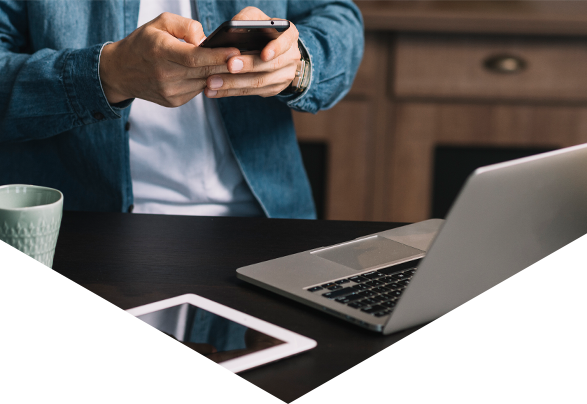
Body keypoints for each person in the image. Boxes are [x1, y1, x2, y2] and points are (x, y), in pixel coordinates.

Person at [0, 1, 364, 219]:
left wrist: (297, 62)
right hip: (82, 236)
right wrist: (105, 75)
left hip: (265, 225)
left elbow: (339, 18)